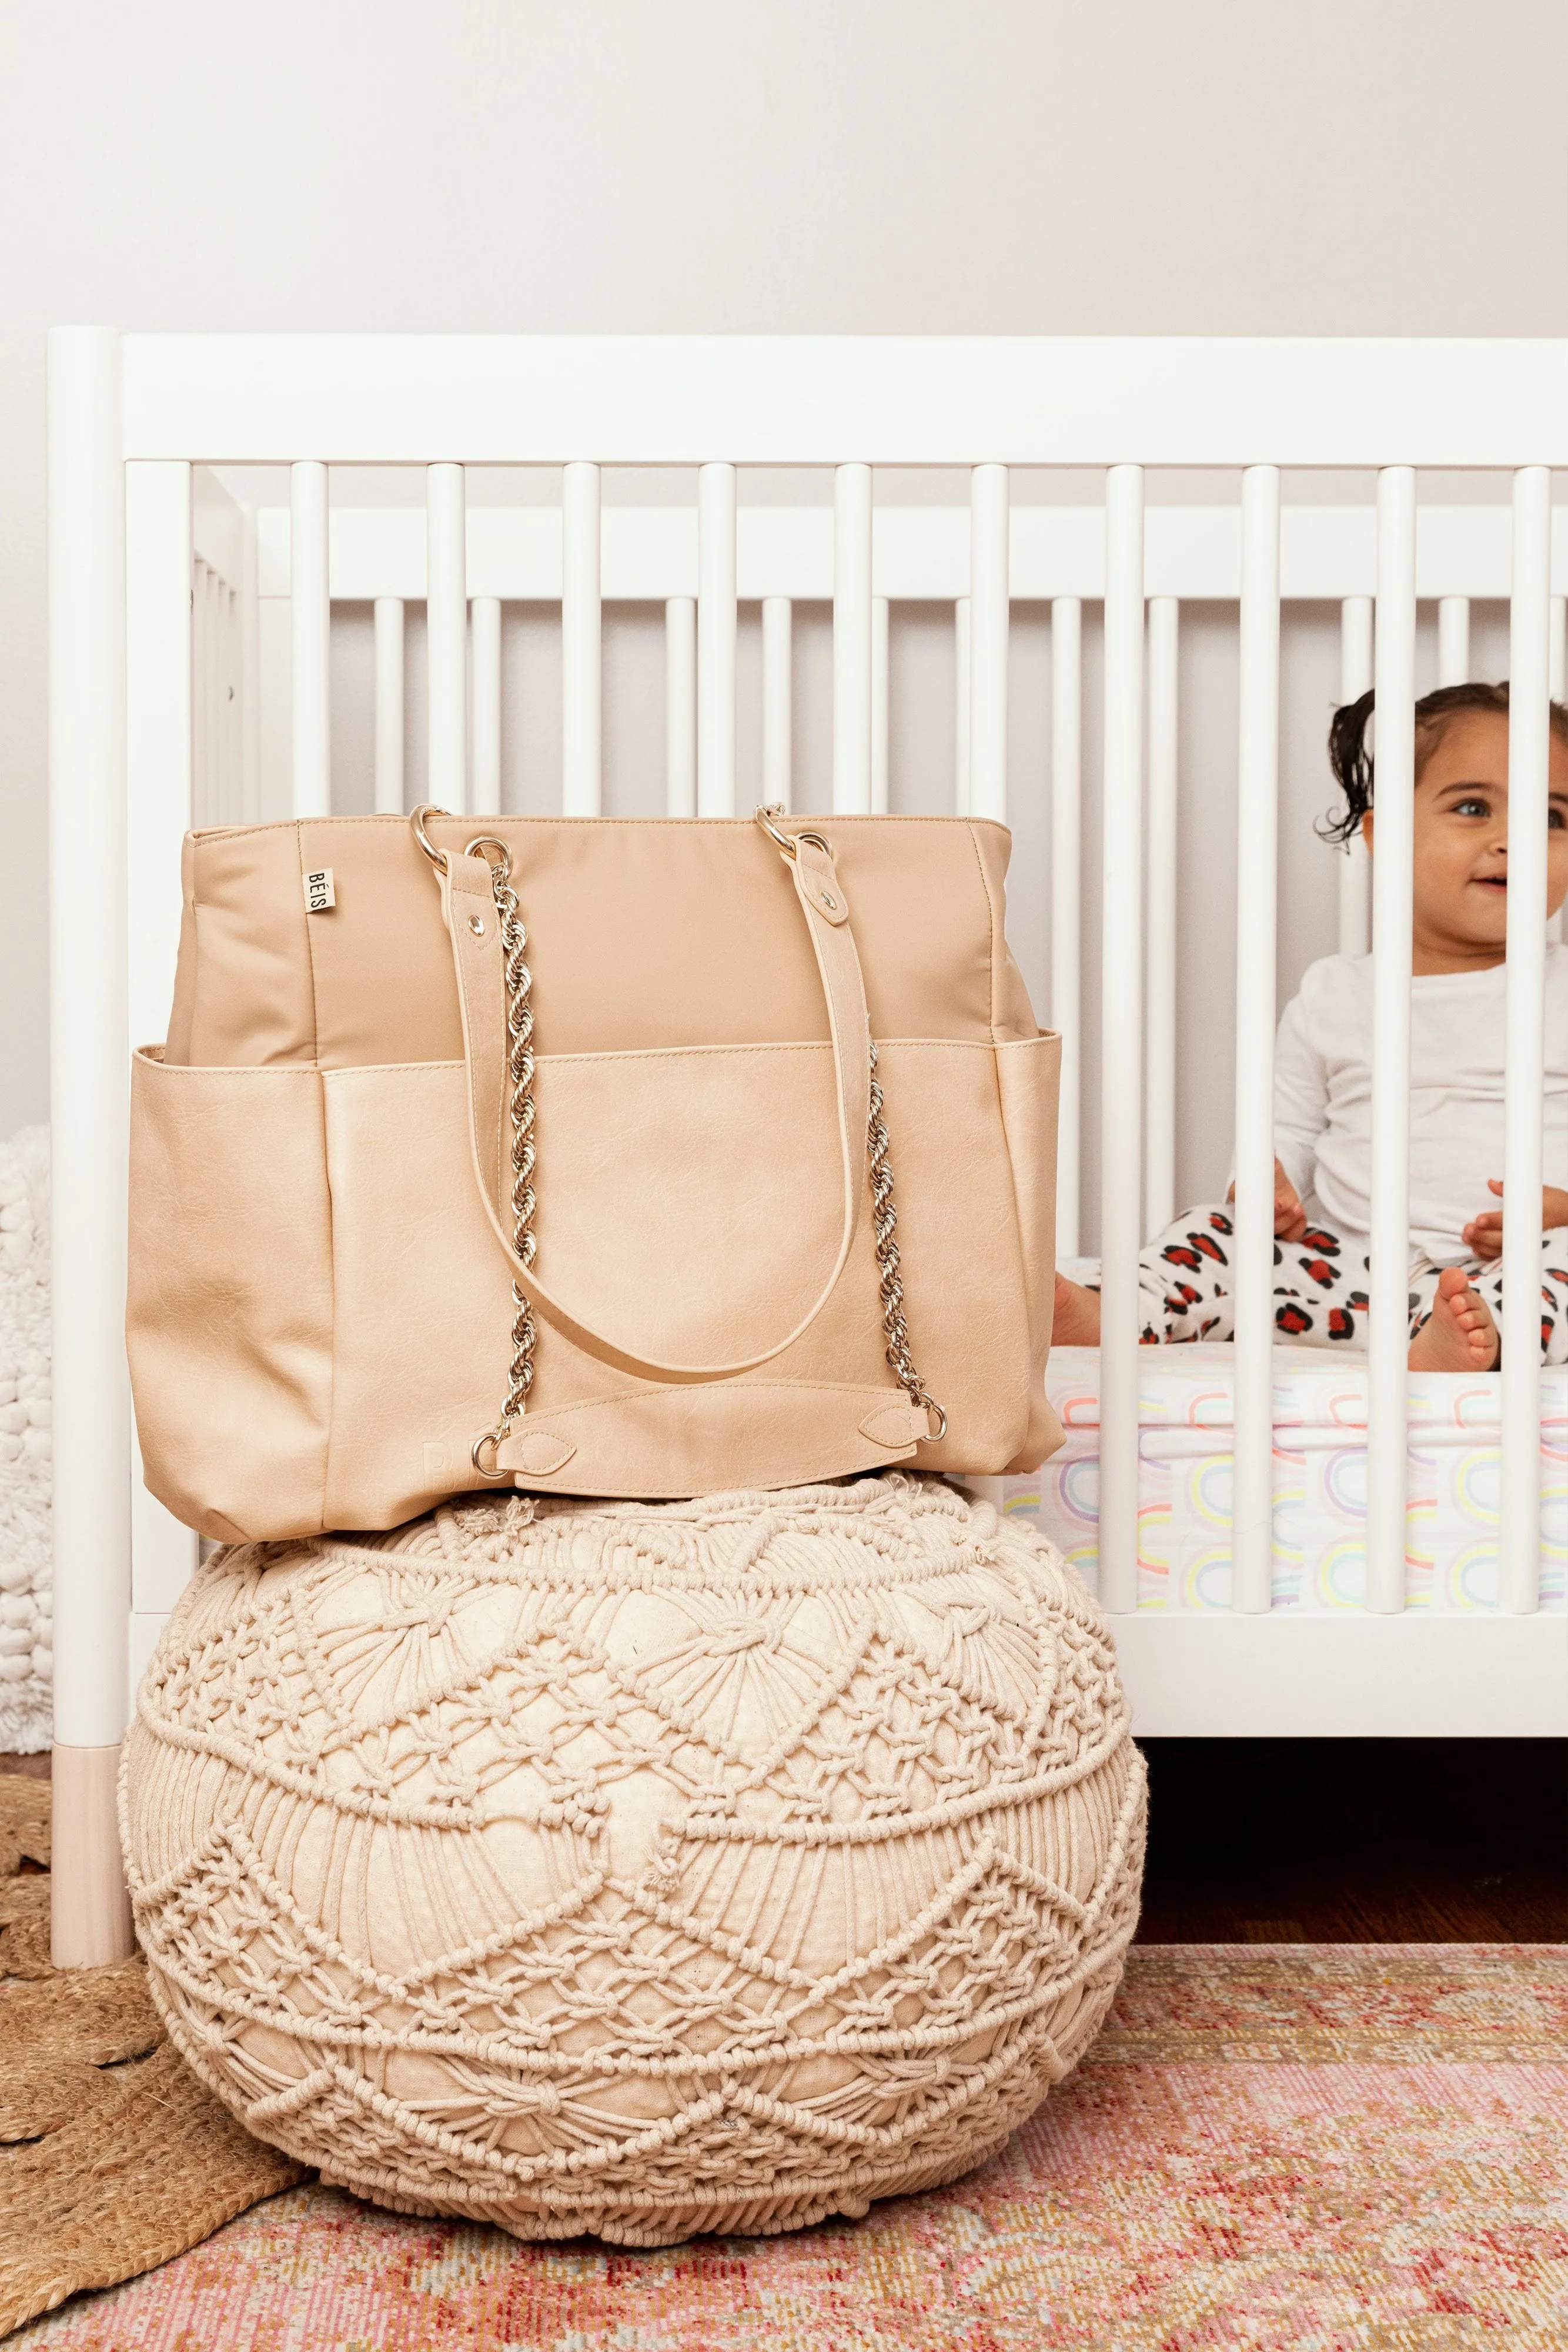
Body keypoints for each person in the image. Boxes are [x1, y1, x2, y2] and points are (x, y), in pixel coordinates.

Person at [1053, 681, 1568, 1371]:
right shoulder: (1337, 994)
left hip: (1525, 1260)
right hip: (1353, 1271)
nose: (1517, 840)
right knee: (1216, 1233)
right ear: (1386, 834)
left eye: (1554, 818)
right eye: (1473, 808)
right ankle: (1119, 1313)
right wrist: (1266, 1189)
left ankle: (1476, 1341)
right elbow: (1288, 1127)